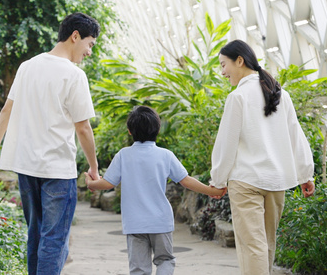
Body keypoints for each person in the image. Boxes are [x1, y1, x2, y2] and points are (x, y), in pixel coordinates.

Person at [0, 12, 101, 275]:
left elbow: (6, 110)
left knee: (36, 235)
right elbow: (82, 127)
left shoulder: (28, 66)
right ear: (75, 36)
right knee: (54, 240)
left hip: (26, 168)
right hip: (57, 170)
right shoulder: (74, 75)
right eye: (90, 44)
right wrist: (94, 167)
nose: (89, 52)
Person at [209, 39, 315, 275]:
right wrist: (305, 174)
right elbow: (295, 135)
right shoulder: (280, 94)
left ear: (240, 60)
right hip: (276, 183)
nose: (222, 72)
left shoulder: (238, 97)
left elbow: (227, 143)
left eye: (224, 65)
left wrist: (218, 180)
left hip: (246, 182)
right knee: (266, 245)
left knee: (253, 247)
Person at [85, 105, 226, 275]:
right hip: (160, 221)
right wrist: (212, 191)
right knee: (165, 260)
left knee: (138, 268)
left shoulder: (123, 155)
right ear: (157, 129)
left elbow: (108, 183)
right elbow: (186, 181)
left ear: (130, 131)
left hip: (135, 224)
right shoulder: (165, 155)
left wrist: (91, 183)